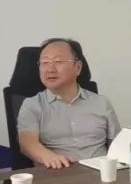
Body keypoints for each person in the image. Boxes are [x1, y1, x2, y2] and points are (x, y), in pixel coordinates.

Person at [18, 38, 121, 169]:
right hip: (58, 173)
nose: (50, 69)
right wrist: (51, 158)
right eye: (44, 62)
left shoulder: (101, 103)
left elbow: (117, 144)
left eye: (58, 61)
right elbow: (28, 144)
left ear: (77, 67)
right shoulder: (32, 105)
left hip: (100, 172)